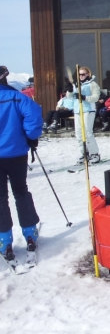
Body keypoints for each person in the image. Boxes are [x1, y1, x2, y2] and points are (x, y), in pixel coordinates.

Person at [0, 66, 42, 265]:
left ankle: (4, 238)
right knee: (21, 192)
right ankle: (29, 232)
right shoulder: (18, 98)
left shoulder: (16, 97)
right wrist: (30, 137)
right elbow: (34, 117)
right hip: (16, 153)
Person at [66, 66, 101, 164]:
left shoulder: (93, 84)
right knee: (78, 133)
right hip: (78, 110)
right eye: (79, 74)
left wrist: (84, 97)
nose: (81, 76)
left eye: (83, 74)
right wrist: (69, 90)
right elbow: (70, 98)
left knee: (87, 132)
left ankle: (94, 154)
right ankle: (84, 153)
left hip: (88, 110)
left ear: (88, 74)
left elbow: (95, 97)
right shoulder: (76, 85)